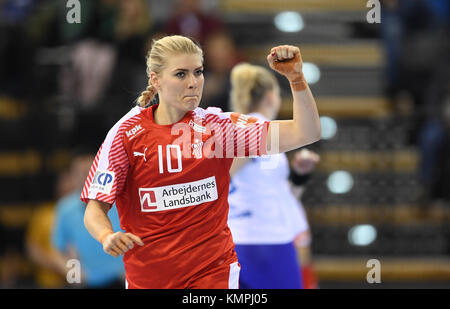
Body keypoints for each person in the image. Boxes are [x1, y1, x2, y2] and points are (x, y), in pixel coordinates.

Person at [81, 35, 321, 289]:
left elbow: (305, 132)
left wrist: (296, 79)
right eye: (181, 74)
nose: (194, 83)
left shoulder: (218, 128)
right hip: (148, 278)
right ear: (156, 79)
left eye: (198, 72)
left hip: (212, 274)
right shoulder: (126, 133)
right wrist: (106, 236)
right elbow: (95, 209)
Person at [227, 62, 320, 289]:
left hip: (248, 237)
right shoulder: (255, 128)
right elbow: (222, 176)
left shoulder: (249, 128)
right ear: (271, 96)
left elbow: (281, 196)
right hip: (264, 239)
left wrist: (299, 175)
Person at [52, 150, 125, 288]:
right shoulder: (65, 208)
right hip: (86, 281)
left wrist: (131, 269)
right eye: (80, 172)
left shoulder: (120, 201)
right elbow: (59, 250)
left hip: (122, 278)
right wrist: (74, 274)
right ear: (72, 177)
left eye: (90, 171)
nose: (86, 176)